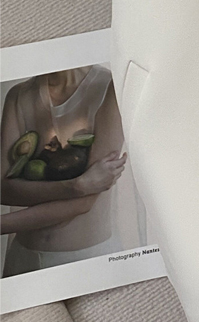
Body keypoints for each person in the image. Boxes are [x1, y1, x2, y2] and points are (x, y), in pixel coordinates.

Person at [1, 65, 128, 275]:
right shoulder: (18, 95)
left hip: (89, 261)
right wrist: (76, 186)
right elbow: (4, 190)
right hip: (23, 259)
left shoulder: (110, 88)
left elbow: (84, 203)